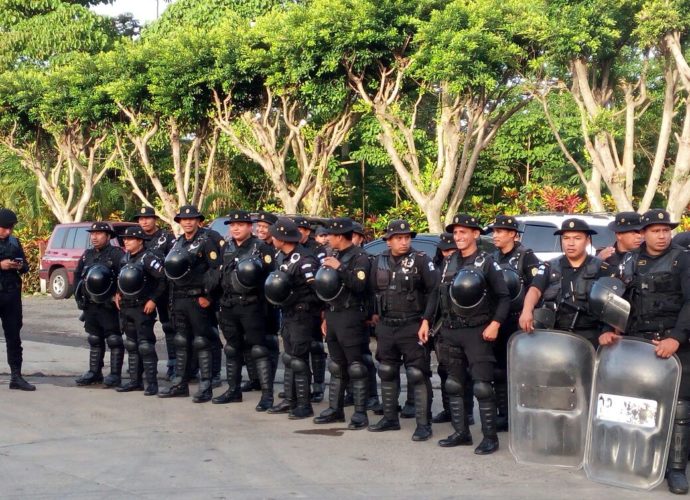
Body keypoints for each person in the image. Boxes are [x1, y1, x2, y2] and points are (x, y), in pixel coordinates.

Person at [600, 209, 690, 495]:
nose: (662, 235)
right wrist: (611, 328)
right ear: (643, 233)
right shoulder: (629, 261)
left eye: (666, 230)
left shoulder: (682, 259)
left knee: (679, 408)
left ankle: (675, 470)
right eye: (656, 230)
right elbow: (618, 298)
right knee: (639, 405)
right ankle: (642, 460)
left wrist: (676, 338)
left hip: (675, 344)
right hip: (639, 344)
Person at [424, 214, 511, 454]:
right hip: (451, 331)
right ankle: (461, 432)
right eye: (456, 232)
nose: (459, 237)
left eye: (464, 232)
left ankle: (490, 438)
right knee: (454, 384)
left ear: (475, 234)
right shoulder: (449, 262)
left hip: (477, 331)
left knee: (482, 386)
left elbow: (503, 297)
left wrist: (495, 324)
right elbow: (436, 295)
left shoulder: (486, 262)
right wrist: (425, 321)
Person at [367, 219, 439, 441]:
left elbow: (435, 291)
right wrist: (373, 314)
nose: (404, 241)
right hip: (387, 326)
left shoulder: (421, 260)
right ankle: (390, 418)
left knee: (417, 374)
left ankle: (423, 424)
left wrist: (427, 321)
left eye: (407, 237)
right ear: (388, 241)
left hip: (412, 324)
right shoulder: (378, 261)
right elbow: (371, 290)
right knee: (387, 370)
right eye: (399, 238)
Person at [212, 210, 275, 411]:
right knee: (232, 348)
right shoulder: (227, 247)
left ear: (250, 227)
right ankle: (233, 390)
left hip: (252, 305)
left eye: (240, 224)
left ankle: (267, 395)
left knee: (258, 348)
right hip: (229, 305)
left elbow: (270, 279)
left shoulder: (261, 247)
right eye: (232, 225)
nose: (235, 228)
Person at [519, 218, 617, 347]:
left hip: (590, 335)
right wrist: (527, 310)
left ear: (587, 241)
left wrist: (608, 331)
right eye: (566, 238)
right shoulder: (549, 266)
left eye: (577, 238)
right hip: (555, 333)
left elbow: (613, 303)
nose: (571, 243)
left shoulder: (602, 268)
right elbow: (535, 289)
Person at [158, 205, 221, 403]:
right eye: (183, 219)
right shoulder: (178, 243)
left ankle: (206, 386)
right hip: (179, 299)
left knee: (202, 341)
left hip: (198, 299)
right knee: (181, 341)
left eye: (191, 219)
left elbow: (216, 270)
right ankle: (180, 384)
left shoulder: (206, 240)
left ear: (198, 220)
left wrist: (208, 296)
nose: (187, 222)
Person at [313, 218, 371, 429]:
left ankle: (360, 413)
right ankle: (335, 409)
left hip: (351, 315)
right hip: (334, 314)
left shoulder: (360, 257)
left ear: (339, 236)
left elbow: (359, 285)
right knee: (336, 365)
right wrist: (325, 316)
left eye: (330, 235)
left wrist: (340, 269)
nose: (326, 238)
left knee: (356, 366)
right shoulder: (334, 255)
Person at [488, 215, 541, 431]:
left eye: (500, 231)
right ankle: (504, 414)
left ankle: (523, 415)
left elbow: (536, 285)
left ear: (512, 234)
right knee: (499, 370)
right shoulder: (492, 257)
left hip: (519, 320)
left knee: (521, 371)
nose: (495, 235)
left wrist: (529, 313)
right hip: (499, 320)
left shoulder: (525, 256)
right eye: (494, 231)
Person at [265, 218, 322, 419]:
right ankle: (290, 399)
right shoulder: (284, 257)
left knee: (298, 359)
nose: (271, 238)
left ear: (282, 238)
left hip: (302, 315)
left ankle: (305, 405)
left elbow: (316, 289)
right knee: (290, 358)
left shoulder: (305, 259)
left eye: (274, 235)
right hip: (288, 313)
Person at [115, 226, 166, 395]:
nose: (126, 241)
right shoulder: (125, 258)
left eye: (130, 239)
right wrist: (117, 293)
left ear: (140, 241)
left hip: (143, 307)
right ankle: (135, 381)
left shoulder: (148, 258)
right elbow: (121, 279)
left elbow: (163, 279)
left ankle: (152, 383)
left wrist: (153, 299)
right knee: (131, 344)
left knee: (145, 345)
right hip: (127, 307)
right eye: (125, 239)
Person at [74, 222, 125, 387]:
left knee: (114, 339)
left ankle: (115, 374)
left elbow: (124, 276)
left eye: (99, 234)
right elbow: (77, 275)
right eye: (92, 234)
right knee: (94, 339)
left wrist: (118, 294)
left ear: (108, 236)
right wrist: (79, 296)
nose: (94, 237)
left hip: (108, 305)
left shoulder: (117, 254)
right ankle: (94, 372)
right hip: (90, 305)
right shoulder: (87, 254)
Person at [134, 206, 177, 380]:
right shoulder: (136, 237)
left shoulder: (166, 238)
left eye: (148, 218)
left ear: (155, 219)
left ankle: (174, 364)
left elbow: (173, 264)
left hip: (165, 289)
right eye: (141, 218)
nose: (144, 221)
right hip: (143, 292)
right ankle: (143, 367)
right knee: (142, 328)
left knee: (169, 327)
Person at [293, 216, 327, 403]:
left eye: (300, 229)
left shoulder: (317, 249)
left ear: (307, 231)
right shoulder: (292, 249)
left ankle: (319, 386)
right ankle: (300, 386)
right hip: (297, 304)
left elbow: (322, 278)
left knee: (316, 346)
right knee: (299, 348)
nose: (297, 233)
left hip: (315, 302)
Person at [0, 209, 34, 391]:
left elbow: (26, 266)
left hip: (11, 295)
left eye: (10, 228)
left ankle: (16, 377)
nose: (8, 232)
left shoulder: (14, 242)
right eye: (4, 228)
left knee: (14, 337)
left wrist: (20, 266)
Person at [430, 232, 458, 425]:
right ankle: (449, 410)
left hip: (459, 325)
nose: (447, 253)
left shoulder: (465, 266)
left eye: (451, 249)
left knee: (459, 372)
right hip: (440, 326)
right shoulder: (437, 266)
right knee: (443, 370)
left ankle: (463, 414)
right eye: (444, 249)